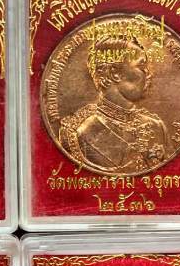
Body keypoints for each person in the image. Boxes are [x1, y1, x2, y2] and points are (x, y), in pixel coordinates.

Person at [59, 18, 170, 174]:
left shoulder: (157, 127)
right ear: (114, 74)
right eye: (141, 66)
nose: (149, 74)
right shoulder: (78, 132)